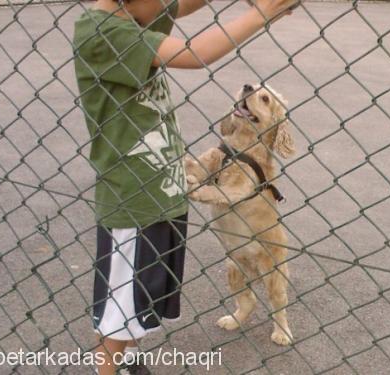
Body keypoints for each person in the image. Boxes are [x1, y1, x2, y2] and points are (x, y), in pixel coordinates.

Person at [72, 0, 297, 373]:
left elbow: (177, 7)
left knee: (141, 294)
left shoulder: (131, 13)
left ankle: (126, 358)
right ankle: (108, 368)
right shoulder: (104, 32)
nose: (166, 3)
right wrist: (263, 12)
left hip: (162, 190)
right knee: (120, 302)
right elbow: (196, 54)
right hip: (133, 197)